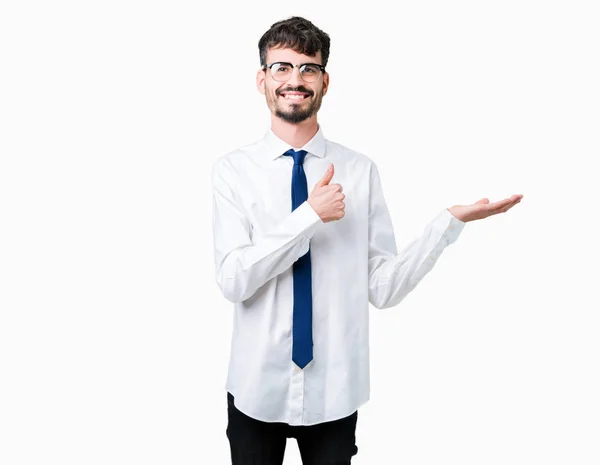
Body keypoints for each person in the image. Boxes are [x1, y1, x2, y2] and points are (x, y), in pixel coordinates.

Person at [211, 16, 523, 465]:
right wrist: (309, 218)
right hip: (256, 388)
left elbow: (383, 288)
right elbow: (233, 281)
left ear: (324, 81)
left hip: (335, 391)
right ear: (262, 79)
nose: (294, 80)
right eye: (281, 67)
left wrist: (448, 224)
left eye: (308, 68)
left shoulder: (359, 171)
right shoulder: (232, 172)